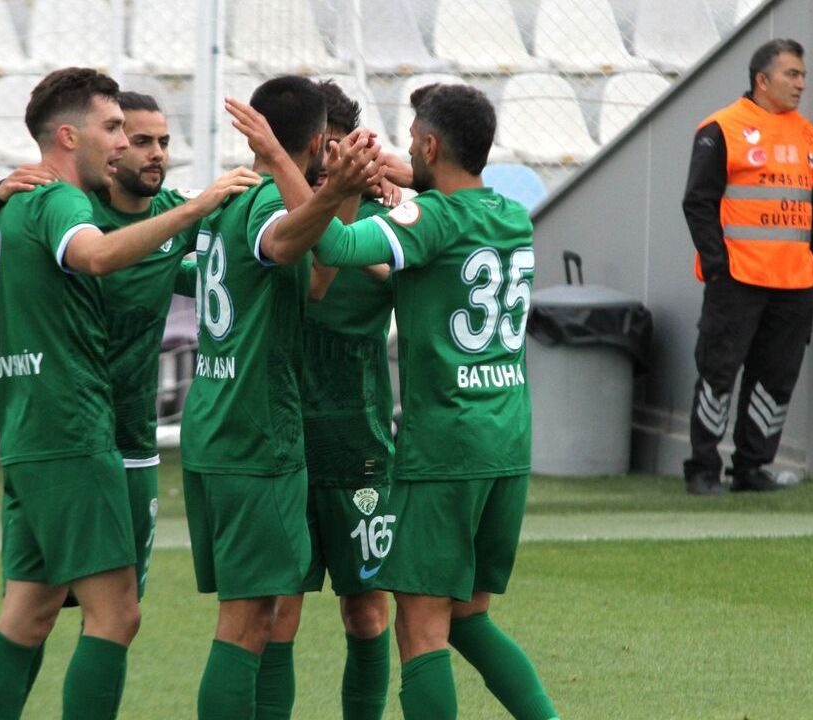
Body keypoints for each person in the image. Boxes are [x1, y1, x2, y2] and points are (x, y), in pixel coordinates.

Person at [0, 67, 259, 720]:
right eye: (116, 128)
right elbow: (97, 256)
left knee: (30, 610)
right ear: (70, 137)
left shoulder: (13, 205)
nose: (128, 143)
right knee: (117, 615)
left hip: (38, 429)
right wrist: (198, 207)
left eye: (148, 136)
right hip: (74, 429)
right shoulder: (62, 204)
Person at [307, 82, 560, 720]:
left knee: (420, 628)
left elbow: (333, 247)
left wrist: (338, 187)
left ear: (428, 145)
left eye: (413, 138)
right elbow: (421, 267)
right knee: (468, 616)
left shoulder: (433, 219)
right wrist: (398, 180)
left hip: (447, 446)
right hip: (507, 442)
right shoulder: (511, 215)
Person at [179, 74, 381, 719]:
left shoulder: (228, 197)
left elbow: (317, 279)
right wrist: (338, 193)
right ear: (320, 143)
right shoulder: (266, 200)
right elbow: (284, 242)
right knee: (247, 624)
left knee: (262, 616)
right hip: (254, 433)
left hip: (219, 423)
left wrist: (342, 195)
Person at [0, 91, 205, 601]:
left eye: (163, 141)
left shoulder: (172, 215)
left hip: (128, 432)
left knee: (52, 609)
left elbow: (238, 253)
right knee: (109, 611)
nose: (154, 153)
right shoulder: (72, 210)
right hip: (77, 429)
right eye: (134, 138)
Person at [245, 79, 397, 720]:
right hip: (282, 438)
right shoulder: (271, 215)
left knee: (366, 611)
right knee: (277, 611)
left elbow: (415, 272)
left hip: (360, 442)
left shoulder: (390, 220)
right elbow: (309, 279)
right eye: (321, 148)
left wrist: (375, 191)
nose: (329, 161)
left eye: (341, 148)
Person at [681, 38, 813, 495]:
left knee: (775, 379)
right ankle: (703, 469)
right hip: (738, 280)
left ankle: (751, 468)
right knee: (718, 374)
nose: (801, 84)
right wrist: (717, 265)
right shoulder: (721, 128)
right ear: (762, 80)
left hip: (794, 282)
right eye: (792, 74)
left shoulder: (808, 135)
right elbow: (697, 202)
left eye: (803, 75)